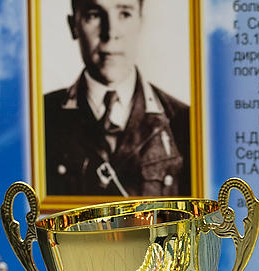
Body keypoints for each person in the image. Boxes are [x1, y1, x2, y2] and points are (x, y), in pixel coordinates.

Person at [43, 0, 190, 198]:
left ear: (141, 22)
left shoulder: (183, 123)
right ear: (73, 26)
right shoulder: (39, 119)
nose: (111, 33)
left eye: (125, 14)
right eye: (94, 15)